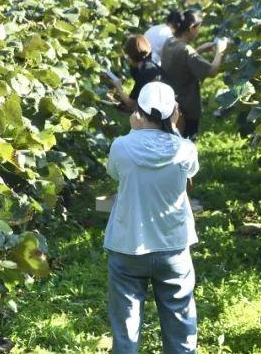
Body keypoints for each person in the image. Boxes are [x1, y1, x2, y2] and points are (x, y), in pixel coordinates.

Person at [104, 81, 198, 354]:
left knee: (126, 328)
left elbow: (114, 173)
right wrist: (174, 127)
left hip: (128, 245)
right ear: (174, 112)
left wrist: (134, 130)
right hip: (173, 246)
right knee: (181, 324)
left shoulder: (121, 146)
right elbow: (190, 171)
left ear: (139, 112)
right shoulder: (185, 149)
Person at [160, 10, 226, 139]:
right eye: (198, 27)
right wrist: (220, 51)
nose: (199, 31)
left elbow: (181, 61)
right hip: (186, 107)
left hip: (169, 102)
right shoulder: (186, 50)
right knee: (186, 141)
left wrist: (199, 50)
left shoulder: (169, 42)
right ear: (191, 28)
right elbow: (212, 71)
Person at [107, 35, 162, 111]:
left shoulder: (143, 74)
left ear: (130, 56)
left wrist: (118, 86)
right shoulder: (149, 65)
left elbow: (130, 103)